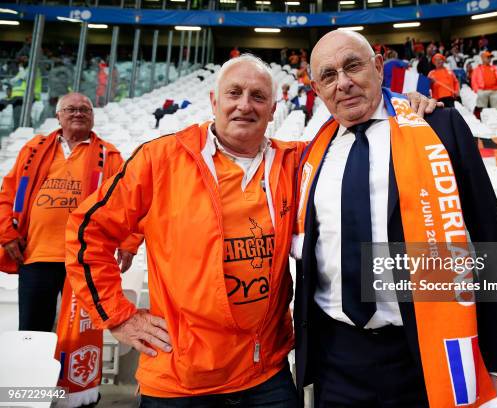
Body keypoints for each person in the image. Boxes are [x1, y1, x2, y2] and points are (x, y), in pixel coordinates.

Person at [64, 53, 438, 406]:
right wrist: (120, 316)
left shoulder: (298, 162)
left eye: (258, 96)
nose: (245, 105)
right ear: (214, 100)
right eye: (234, 93)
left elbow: (362, 141)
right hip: (181, 380)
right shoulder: (161, 159)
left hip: (266, 376)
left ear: (273, 110)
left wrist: (399, 108)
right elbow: (87, 231)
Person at [293, 29, 497, 408]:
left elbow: (492, 242)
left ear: (377, 66)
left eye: (352, 66)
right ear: (317, 89)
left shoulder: (439, 128)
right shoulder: (310, 156)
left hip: (425, 351)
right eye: (328, 75)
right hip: (336, 359)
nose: (343, 83)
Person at [0, 92, 137, 331]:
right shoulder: (33, 150)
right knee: (32, 331)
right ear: (58, 116)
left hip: (84, 257)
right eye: (71, 109)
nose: (78, 114)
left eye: (85, 110)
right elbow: (8, 194)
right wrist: (6, 234)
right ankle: (33, 370)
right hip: (36, 255)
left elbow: (130, 201)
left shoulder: (110, 155)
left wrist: (130, 241)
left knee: (80, 336)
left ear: (93, 117)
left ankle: (70, 371)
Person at [471, 51, 497, 116]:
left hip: (495, 90)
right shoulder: (477, 69)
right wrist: (477, 90)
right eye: (488, 57)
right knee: (482, 108)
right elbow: (473, 81)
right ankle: (483, 119)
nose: (489, 59)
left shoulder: (494, 68)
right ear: (483, 58)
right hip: (482, 90)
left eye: (490, 57)